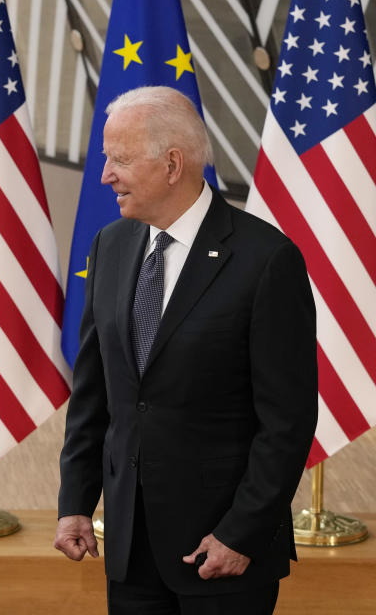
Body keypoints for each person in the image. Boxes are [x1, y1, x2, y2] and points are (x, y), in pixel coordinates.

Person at [53, 86, 317, 614]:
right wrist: (75, 503)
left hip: (223, 551)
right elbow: (94, 393)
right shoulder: (111, 244)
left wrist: (241, 534)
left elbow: (287, 422)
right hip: (130, 546)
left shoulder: (267, 261)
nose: (105, 175)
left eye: (120, 159)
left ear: (173, 164)